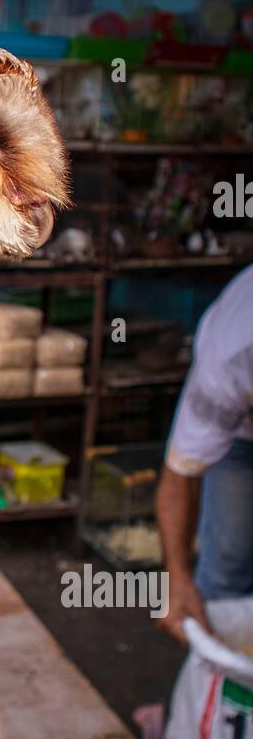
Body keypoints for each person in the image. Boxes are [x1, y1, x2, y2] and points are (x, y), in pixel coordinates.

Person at [156, 263, 253, 643]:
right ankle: (212, 693)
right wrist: (177, 579)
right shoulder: (233, 352)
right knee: (227, 565)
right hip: (240, 438)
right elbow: (181, 473)